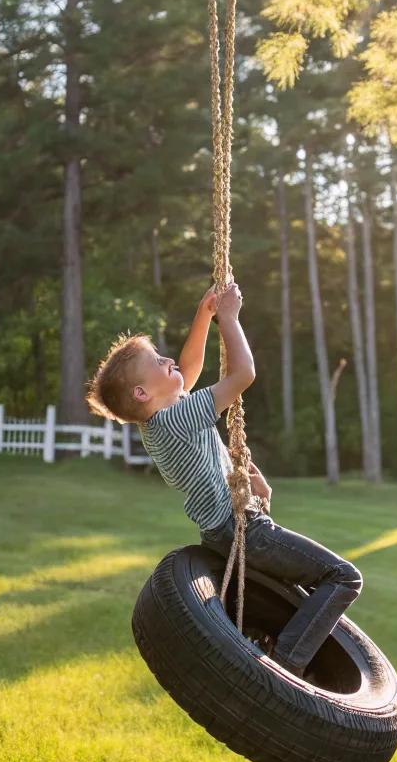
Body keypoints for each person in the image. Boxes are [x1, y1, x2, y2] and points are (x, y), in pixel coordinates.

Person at [86, 280, 362, 678]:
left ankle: (280, 654)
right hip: (244, 531)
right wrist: (228, 319)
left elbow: (190, 370)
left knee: (300, 592)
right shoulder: (178, 418)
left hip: (221, 533)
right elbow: (243, 374)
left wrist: (204, 316)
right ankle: (284, 665)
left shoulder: (158, 424)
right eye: (159, 361)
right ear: (144, 393)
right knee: (342, 577)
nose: (169, 361)